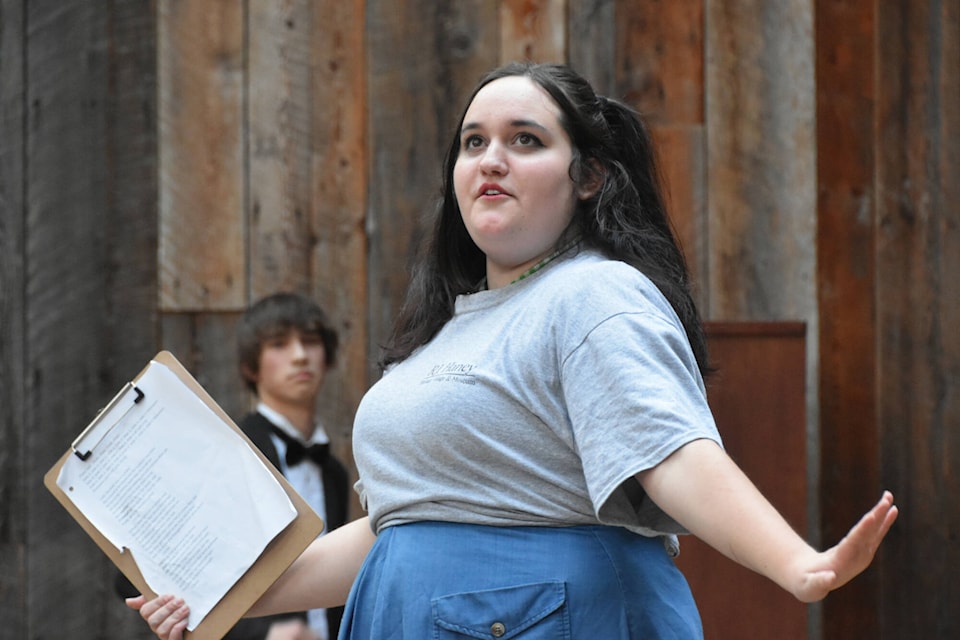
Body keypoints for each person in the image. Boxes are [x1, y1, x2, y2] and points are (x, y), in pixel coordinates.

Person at [128, 62, 897, 639]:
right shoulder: (443, 331)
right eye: (473, 142)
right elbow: (394, 528)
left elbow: (668, 450)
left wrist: (799, 566)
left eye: (524, 140)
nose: (490, 159)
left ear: (589, 175)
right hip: (406, 615)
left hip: (545, 617)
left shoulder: (593, 293)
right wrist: (222, 596)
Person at [120, 292, 350, 640]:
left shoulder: (334, 471)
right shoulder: (222, 450)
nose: (300, 356)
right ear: (250, 365)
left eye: (311, 342)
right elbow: (138, 570)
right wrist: (265, 631)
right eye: (279, 344)